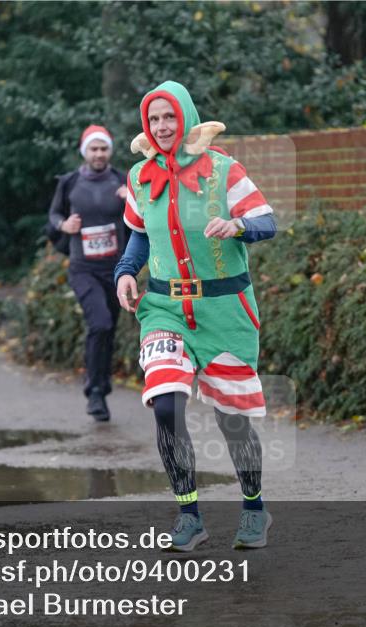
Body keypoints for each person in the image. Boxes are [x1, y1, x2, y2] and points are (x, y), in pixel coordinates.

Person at [114, 81, 277, 551]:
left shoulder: (224, 170)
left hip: (224, 310)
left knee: (233, 420)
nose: (162, 127)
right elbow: (138, 235)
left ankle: (254, 508)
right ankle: (189, 516)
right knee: (165, 404)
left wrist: (238, 225)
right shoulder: (139, 177)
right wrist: (126, 273)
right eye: (154, 120)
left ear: (184, 118)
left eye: (170, 118)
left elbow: (268, 221)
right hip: (164, 308)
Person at [48, 125, 128, 421]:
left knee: (108, 329)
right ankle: (95, 391)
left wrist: (132, 199)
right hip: (83, 268)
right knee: (100, 322)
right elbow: (54, 214)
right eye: (93, 149)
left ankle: (101, 387)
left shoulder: (123, 180)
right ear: (85, 152)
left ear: (110, 151)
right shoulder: (69, 183)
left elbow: (144, 214)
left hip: (117, 269)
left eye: (103, 148)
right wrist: (63, 226)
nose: (99, 154)